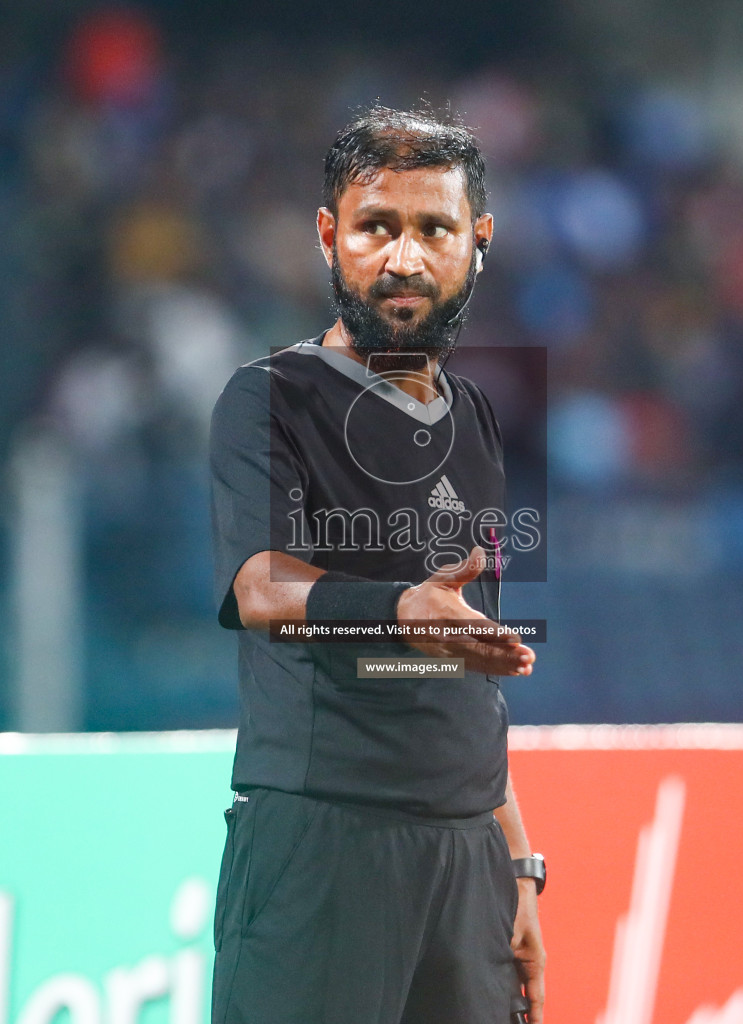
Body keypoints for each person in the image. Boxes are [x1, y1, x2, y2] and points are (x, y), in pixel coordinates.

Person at [207, 106, 547, 1024]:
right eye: (375, 228)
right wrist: (401, 609)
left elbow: (471, 665)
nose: (404, 258)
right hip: (324, 843)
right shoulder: (267, 398)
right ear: (330, 237)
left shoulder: (474, 416)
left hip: (466, 862)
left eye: (433, 229)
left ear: (478, 242)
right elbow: (262, 587)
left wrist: (514, 859)